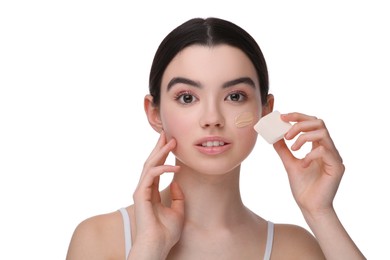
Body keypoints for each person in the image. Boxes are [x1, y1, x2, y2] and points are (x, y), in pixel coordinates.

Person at [66, 17, 365, 260]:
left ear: (265, 110)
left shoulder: (295, 248)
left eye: (235, 96)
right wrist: (148, 250)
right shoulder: (99, 240)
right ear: (154, 112)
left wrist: (320, 212)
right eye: (187, 97)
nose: (212, 118)